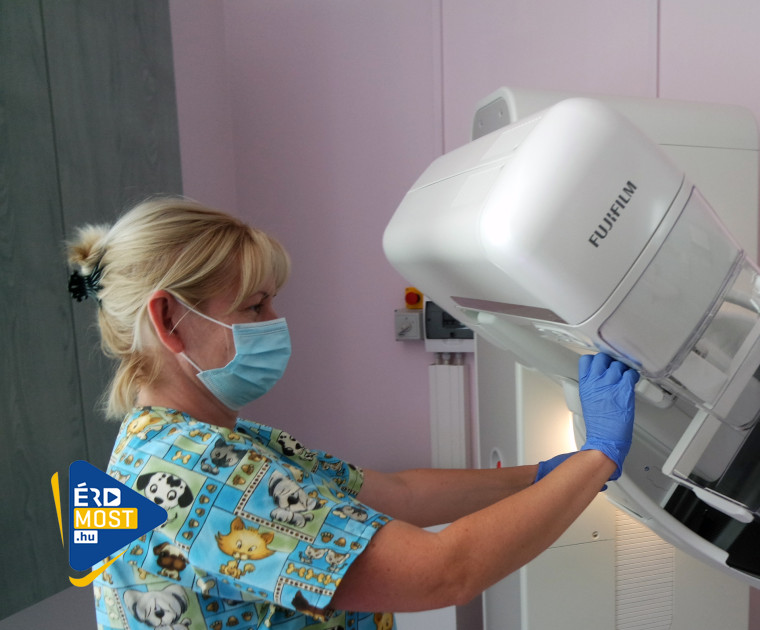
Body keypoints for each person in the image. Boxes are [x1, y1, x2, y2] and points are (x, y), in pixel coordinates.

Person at [67, 196, 639, 630]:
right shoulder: (200, 475)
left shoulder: (190, 442)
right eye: (255, 306)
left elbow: (399, 494)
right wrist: (597, 458)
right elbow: (446, 572)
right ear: (168, 320)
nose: (276, 322)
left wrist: (544, 475)